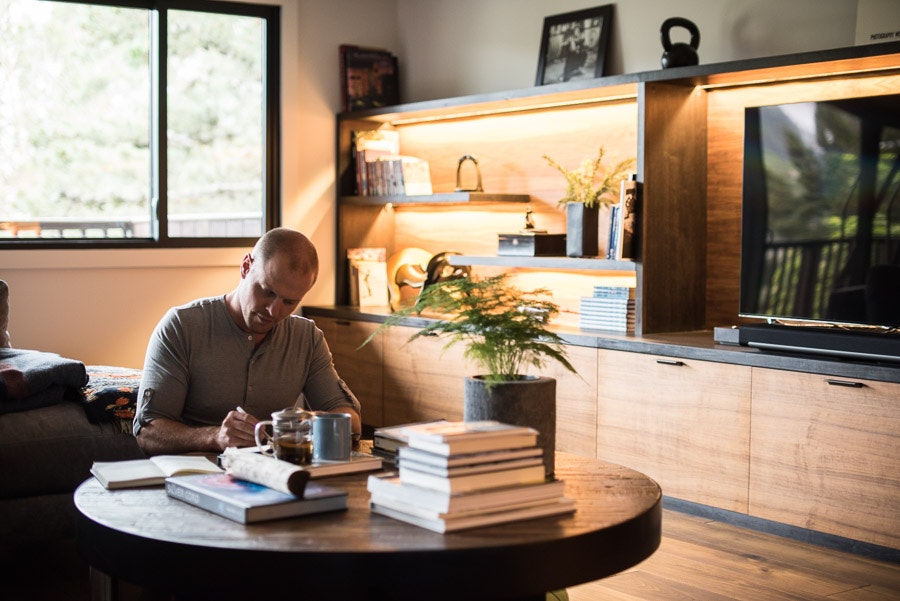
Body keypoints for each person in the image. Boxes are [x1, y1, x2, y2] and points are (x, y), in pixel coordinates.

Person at [133, 227, 362, 456]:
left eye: (289, 302)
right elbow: (148, 432)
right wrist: (214, 437)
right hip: (195, 469)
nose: (274, 311)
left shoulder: (307, 338)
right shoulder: (181, 327)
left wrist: (316, 421)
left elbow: (351, 421)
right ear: (245, 267)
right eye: (267, 291)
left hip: (274, 471)